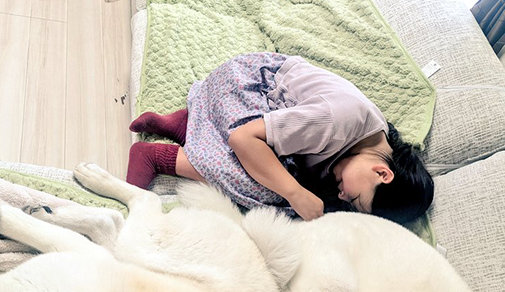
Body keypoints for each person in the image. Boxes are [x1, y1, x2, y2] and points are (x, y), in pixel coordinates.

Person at [126, 52, 434, 224]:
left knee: (289, 183)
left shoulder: (371, 142)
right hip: (242, 84)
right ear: (382, 172)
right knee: (270, 189)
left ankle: (185, 124)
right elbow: (243, 139)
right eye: (354, 198)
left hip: (251, 100)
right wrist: (295, 194)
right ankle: (158, 158)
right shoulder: (333, 121)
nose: (344, 197)